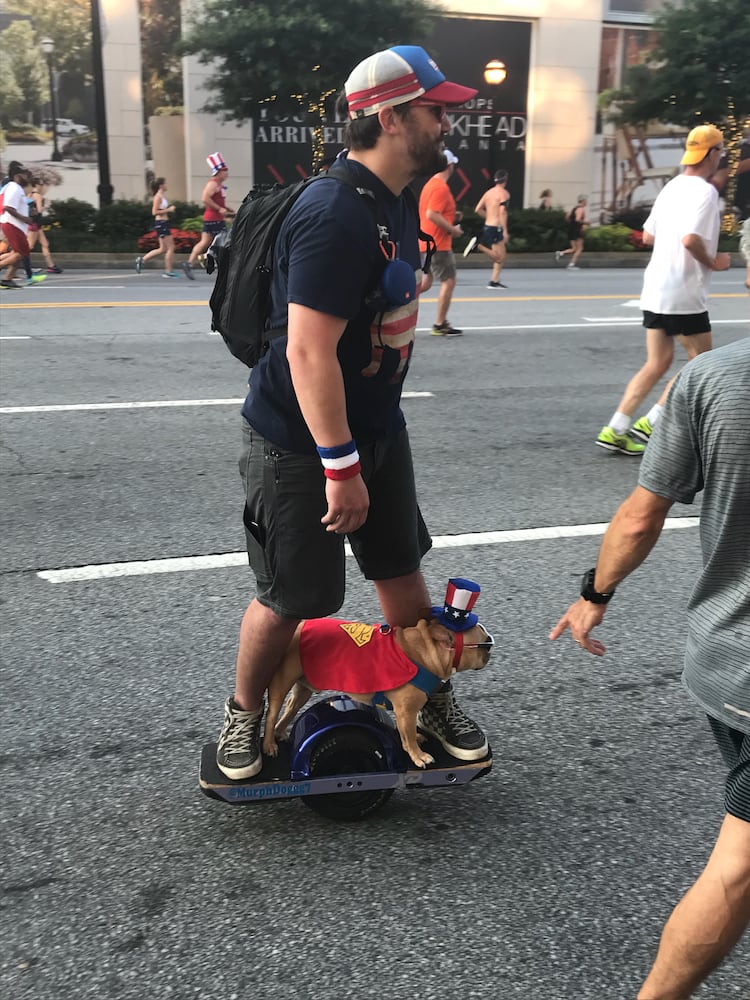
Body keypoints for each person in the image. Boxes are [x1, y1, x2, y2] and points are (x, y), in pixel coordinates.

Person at [214, 44, 489, 781]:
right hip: (302, 443)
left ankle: (428, 694)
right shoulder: (333, 212)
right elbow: (308, 352)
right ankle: (244, 716)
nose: (450, 117)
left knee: (400, 567)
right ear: (394, 117)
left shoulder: (395, 197)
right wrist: (341, 466)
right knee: (292, 597)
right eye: (437, 107)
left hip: (374, 426)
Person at [550, 337, 750, 1000]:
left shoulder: (713, 376)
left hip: (730, 657)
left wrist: (593, 595)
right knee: (739, 866)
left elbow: (641, 516)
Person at [595, 125, 730, 457]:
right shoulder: (705, 192)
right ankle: (652, 421)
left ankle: (616, 428)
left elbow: (648, 237)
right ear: (711, 154)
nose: (721, 159)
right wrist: (712, 261)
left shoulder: (672, 186)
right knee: (702, 361)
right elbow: (691, 240)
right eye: (721, 152)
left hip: (655, 286)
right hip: (683, 290)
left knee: (657, 362)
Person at [418, 148, 464, 336]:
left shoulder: (430, 185)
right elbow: (431, 214)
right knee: (448, 281)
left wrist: (453, 216)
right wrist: (453, 229)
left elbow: (432, 212)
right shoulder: (440, 187)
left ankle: (392, 303)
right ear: (450, 165)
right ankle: (439, 324)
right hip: (438, 244)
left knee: (426, 282)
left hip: (426, 242)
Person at [183, 153, 235, 279]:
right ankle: (206, 257)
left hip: (211, 218)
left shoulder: (218, 185)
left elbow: (216, 201)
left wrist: (227, 208)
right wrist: (220, 209)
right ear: (219, 172)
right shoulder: (213, 184)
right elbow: (205, 198)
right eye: (225, 171)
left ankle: (189, 263)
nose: (227, 173)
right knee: (224, 242)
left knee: (205, 241)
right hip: (214, 218)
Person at [464, 169, 510, 289]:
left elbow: (478, 209)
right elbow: (502, 212)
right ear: (505, 180)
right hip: (496, 227)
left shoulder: (488, 193)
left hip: (489, 225)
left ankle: (494, 281)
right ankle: (478, 246)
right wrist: (505, 230)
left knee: (502, 255)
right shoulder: (504, 194)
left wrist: (488, 217)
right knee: (499, 258)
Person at [136, 177, 178, 278]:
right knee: (171, 247)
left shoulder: (161, 196)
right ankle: (168, 271)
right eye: (165, 183)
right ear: (161, 186)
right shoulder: (158, 197)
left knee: (163, 248)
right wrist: (169, 210)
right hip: (161, 223)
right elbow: (154, 212)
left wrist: (168, 209)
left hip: (163, 223)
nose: (167, 185)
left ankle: (142, 260)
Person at [0, 164, 33, 289]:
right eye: (25, 174)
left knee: (18, 253)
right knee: (20, 253)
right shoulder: (14, 187)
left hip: (15, 225)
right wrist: (25, 218)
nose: (28, 177)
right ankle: (7, 278)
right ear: (17, 175)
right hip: (13, 224)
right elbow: (8, 207)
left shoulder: (13, 187)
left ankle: (8, 279)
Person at [27, 179, 62, 274]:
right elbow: (39, 210)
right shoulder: (37, 196)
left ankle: (51, 265)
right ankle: (26, 267)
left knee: (45, 244)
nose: (42, 186)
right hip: (34, 224)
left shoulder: (29, 194)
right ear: (37, 185)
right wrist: (46, 205)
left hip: (34, 223)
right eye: (41, 184)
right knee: (29, 247)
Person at [555, 194, 587, 269]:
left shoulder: (574, 209)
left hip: (571, 230)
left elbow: (567, 217)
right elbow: (578, 219)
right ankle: (571, 264)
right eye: (586, 201)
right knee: (579, 249)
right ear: (583, 201)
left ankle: (561, 253)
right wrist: (586, 223)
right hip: (578, 231)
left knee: (574, 249)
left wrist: (571, 223)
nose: (586, 203)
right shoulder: (581, 209)